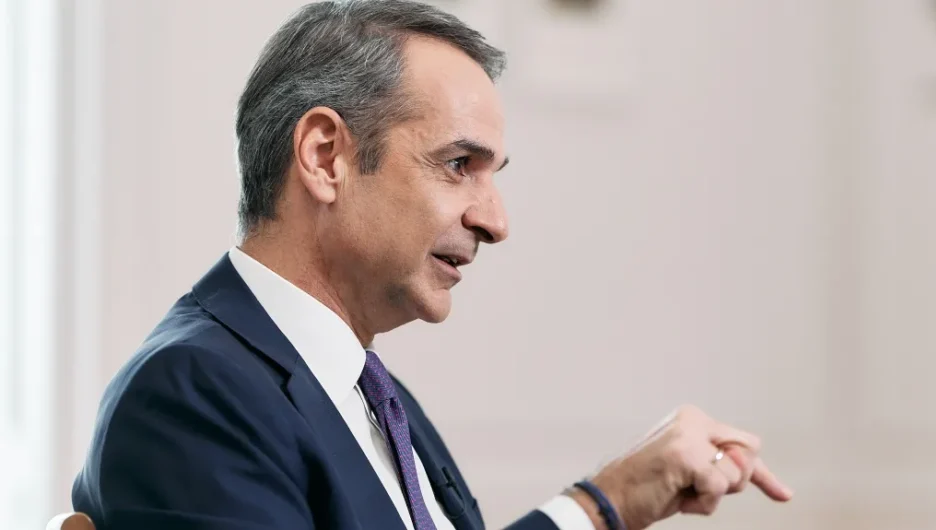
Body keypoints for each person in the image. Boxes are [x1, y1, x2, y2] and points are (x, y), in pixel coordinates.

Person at [71, 1, 793, 529]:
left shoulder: (370, 393)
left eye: (492, 175)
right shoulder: (193, 394)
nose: (496, 222)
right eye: (457, 165)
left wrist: (612, 501)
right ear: (325, 156)